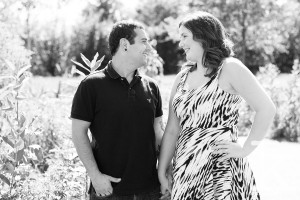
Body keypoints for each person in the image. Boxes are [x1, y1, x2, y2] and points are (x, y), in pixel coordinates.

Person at [158, 11, 276, 200]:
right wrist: (162, 169)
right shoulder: (182, 77)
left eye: (184, 36)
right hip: (186, 168)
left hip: (221, 168)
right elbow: (172, 128)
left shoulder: (230, 68)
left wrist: (246, 148)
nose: (181, 44)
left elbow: (266, 108)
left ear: (203, 37)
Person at [71, 20, 164, 200]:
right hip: (109, 191)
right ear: (124, 45)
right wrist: (95, 176)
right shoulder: (91, 85)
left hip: (151, 190)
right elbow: (78, 133)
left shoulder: (152, 86)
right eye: (143, 41)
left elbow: (158, 132)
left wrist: (166, 171)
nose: (149, 48)